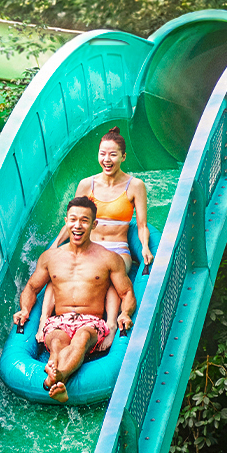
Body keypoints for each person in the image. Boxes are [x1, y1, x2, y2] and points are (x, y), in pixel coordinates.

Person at [13, 197, 135, 402]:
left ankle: (56, 376)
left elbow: (127, 293)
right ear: (66, 221)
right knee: (57, 341)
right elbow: (32, 288)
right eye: (73, 219)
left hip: (91, 321)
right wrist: (25, 310)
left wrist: (125, 313)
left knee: (82, 338)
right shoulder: (50, 257)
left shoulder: (109, 258)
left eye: (84, 220)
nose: (78, 225)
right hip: (59, 320)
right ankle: (58, 380)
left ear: (94, 224)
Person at [40, 127, 151, 332]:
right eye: (102, 154)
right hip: (89, 246)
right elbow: (73, 220)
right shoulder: (87, 184)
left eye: (113, 154)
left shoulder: (135, 185)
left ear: (123, 157)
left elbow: (142, 224)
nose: (106, 159)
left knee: (108, 274)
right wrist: (55, 245)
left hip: (117, 249)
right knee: (59, 271)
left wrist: (144, 246)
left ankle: (110, 324)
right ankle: (45, 320)